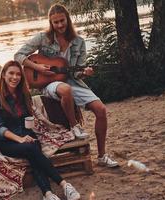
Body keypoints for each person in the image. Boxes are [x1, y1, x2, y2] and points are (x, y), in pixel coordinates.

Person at [14, 4, 118, 168]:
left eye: (62, 21)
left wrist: (84, 73)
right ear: (51, 23)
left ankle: (102, 156)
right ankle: (74, 126)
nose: (60, 25)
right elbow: (18, 55)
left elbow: (76, 73)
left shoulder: (79, 42)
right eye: (55, 22)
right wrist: (37, 68)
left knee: (101, 110)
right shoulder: (43, 38)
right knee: (65, 89)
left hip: (72, 81)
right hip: (49, 83)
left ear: (67, 19)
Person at [0, 60, 81, 200]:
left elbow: (27, 118)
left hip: (27, 135)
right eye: (11, 73)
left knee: (34, 153)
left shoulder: (23, 93)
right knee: (32, 149)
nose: (15, 77)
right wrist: (20, 139)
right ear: (3, 75)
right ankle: (64, 184)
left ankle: (48, 194)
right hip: (8, 142)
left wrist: (30, 127)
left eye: (18, 74)